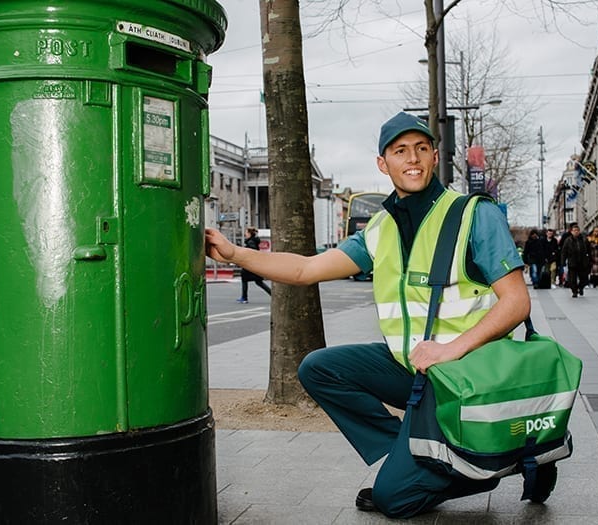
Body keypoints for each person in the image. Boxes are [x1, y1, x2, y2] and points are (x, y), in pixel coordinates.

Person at [205, 112, 530, 519]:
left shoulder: (474, 214)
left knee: (395, 500)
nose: (412, 159)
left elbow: (516, 303)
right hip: (413, 369)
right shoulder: (380, 227)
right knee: (320, 368)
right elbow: (307, 270)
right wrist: (236, 255)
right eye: (400, 151)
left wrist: (451, 349)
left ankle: (484, 464)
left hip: (467, 374)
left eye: (421, 149)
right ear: (383, 163)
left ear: (434, 156)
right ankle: (422, 456)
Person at [237, 227, 272, 304]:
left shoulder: (251, 242)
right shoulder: (253, 241)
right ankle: (272, 294)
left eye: (246, 233)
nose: (245, 234)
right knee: (258, 281)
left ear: (249, 233)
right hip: (254, 265)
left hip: (249, 265)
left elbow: (252, 252)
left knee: (245, 279)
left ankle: (244, 297)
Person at [561, 222, 590, 298]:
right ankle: (574, 291)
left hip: (582, 262)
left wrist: (589, 259)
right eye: (574, 230)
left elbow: (589, 250)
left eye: (577, 230)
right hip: (572, 262)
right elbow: (564, 251)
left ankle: (581, 288)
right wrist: (563, 261)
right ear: (571, 231)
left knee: (584, 278)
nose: (576, 232)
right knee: (572, 279)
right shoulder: (568, 240)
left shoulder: (584, 239)